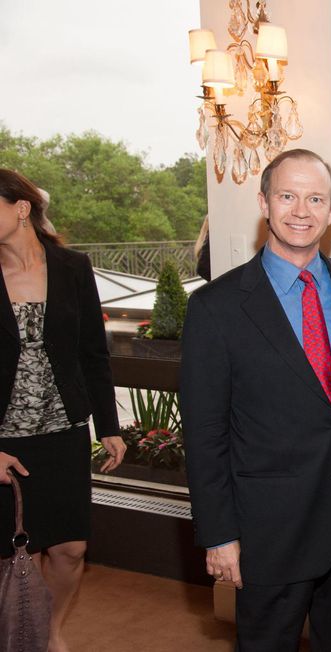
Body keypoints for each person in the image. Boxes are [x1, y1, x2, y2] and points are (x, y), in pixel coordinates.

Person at [180, 149, 331, 651]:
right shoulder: (215, 307)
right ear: (264, 202)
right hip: (268, 531)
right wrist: (219, 534)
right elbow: (204, 433)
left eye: (316, 198)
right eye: (288, 196)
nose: (301, 210)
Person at [0, 168, 126, 652]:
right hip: (6, 438)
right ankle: (25, 639)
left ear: (21, 208)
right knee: (21, 552)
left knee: (70, 549)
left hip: (64, 432)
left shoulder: (73, 267)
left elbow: (93, 352)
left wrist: (108, 426)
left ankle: (49, 630)